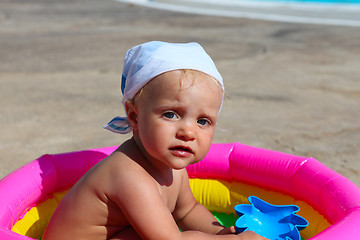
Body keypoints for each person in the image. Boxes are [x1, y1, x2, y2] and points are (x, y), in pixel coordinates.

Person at [42, 41, 267, 240]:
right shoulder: (128, 174)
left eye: (203, 121)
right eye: (170, 114)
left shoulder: (171, 164)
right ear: (134, 116)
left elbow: (187, 211)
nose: (188, 132)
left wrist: (218, 232)